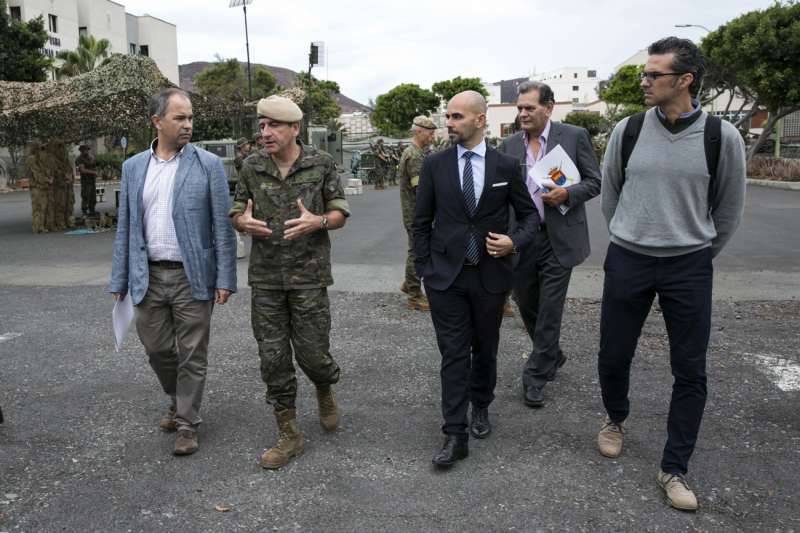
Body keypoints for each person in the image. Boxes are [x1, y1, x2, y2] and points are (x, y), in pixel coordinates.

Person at [597, 37, 746, 511]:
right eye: (645, 73)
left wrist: (695, 249)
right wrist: (632, 234)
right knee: (613, 354)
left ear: (684, 80)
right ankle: (615, 417)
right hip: (628, 257)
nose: (643, 81)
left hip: (688, 265)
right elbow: (610, 194)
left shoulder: (721, 137)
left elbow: (728, 209)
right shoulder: (629, 129)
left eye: (653, 75)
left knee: (690, 369)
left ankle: (674, 467)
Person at [413, 91, 539, 468]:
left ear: (480, 119)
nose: (448, 123)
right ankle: (455, 432)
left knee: (485, 348)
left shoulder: (505, 166)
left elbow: (530, 217)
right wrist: (425, 269)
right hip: (446, 278)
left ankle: (481, 404)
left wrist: (513, 241)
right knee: (453, 353)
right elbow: (420, 222)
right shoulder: (435, 165)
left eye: (456, 117)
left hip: (490, 276)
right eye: (447, 116)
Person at [110, 88, 237, 456]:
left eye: (190, 118)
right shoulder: (133, 167)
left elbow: (221, 227)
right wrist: (119, 279)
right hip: (146, 276)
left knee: (192, 352)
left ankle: (187, 423)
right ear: (157, 121)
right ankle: (177, 399)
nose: (188, 125)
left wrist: (225, 278)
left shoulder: (207, 165)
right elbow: (126, 227)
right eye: (180, 118)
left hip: (192, 275)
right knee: (158, 350)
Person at [230, 95, 350, 470]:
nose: (265, 133)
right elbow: (237, 207)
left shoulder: (321, 163)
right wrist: (240, 222)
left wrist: (320, 221)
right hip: (266, 278)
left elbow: (340, 210)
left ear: (294, 128)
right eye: (262, 126)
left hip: (309, 276)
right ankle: (289, 432)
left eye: (273, 126)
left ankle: (324, 387)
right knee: (272, 356)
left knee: (313, 353)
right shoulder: (250, 166)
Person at [498, 81, 601, 408]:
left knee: (550, 309)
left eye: (530, 108)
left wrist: (567, 193)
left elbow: (594, 181)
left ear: (549, 107)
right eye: (520, 109)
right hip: (524, 237)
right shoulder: (510, 144)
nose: (523, 114)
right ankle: (552, 354)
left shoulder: (573, 136)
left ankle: (536, 374)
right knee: (527, 303)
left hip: (560, 236)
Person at [398, 115, 436, 311]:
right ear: (419, 131)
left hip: (417, 211)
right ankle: (414, 294)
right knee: (416, 250)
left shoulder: (419, 152)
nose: (432, 136)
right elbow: (420, 188)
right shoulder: (413, 155)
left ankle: (409, 282)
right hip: (415, 212)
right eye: (430, 133)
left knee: (420, 248)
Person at [75, 145, 99, 216]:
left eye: (88, 150)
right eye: (85, 150)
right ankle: (84, 212)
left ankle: (92, 210)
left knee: (93, 196)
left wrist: (93, 161)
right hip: (85, 181)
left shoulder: (90, 157)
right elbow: (82, 170)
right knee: (86, 196)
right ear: (81, 151)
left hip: (92, 180)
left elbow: (94, 165)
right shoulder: (79, 159)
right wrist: (93, 172)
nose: (87, 151)